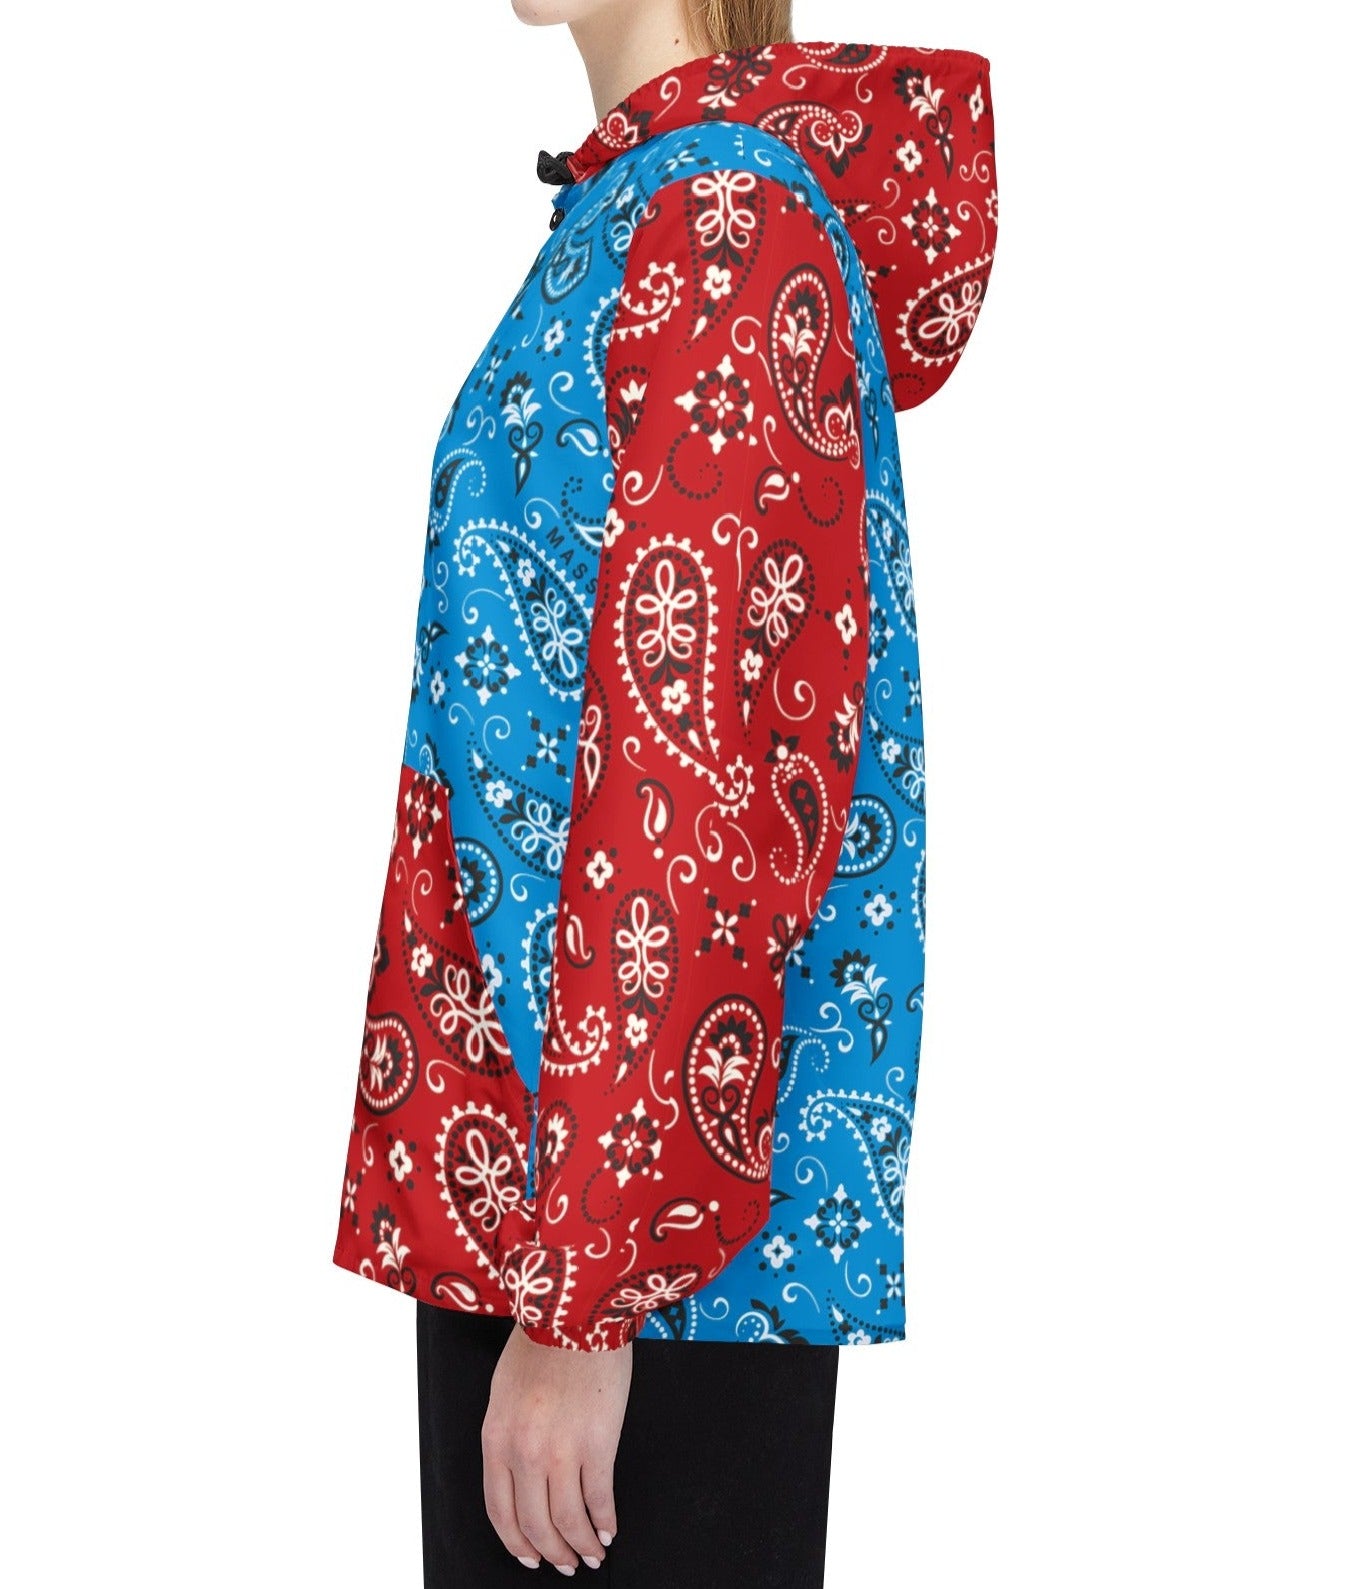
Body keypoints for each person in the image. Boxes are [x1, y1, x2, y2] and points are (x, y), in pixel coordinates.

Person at [330, 2, 998, 1581]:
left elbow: (698, 796)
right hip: (558, 1216)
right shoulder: (649, 208)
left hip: (645, 1270)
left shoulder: (721, 225)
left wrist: (585, 1303)